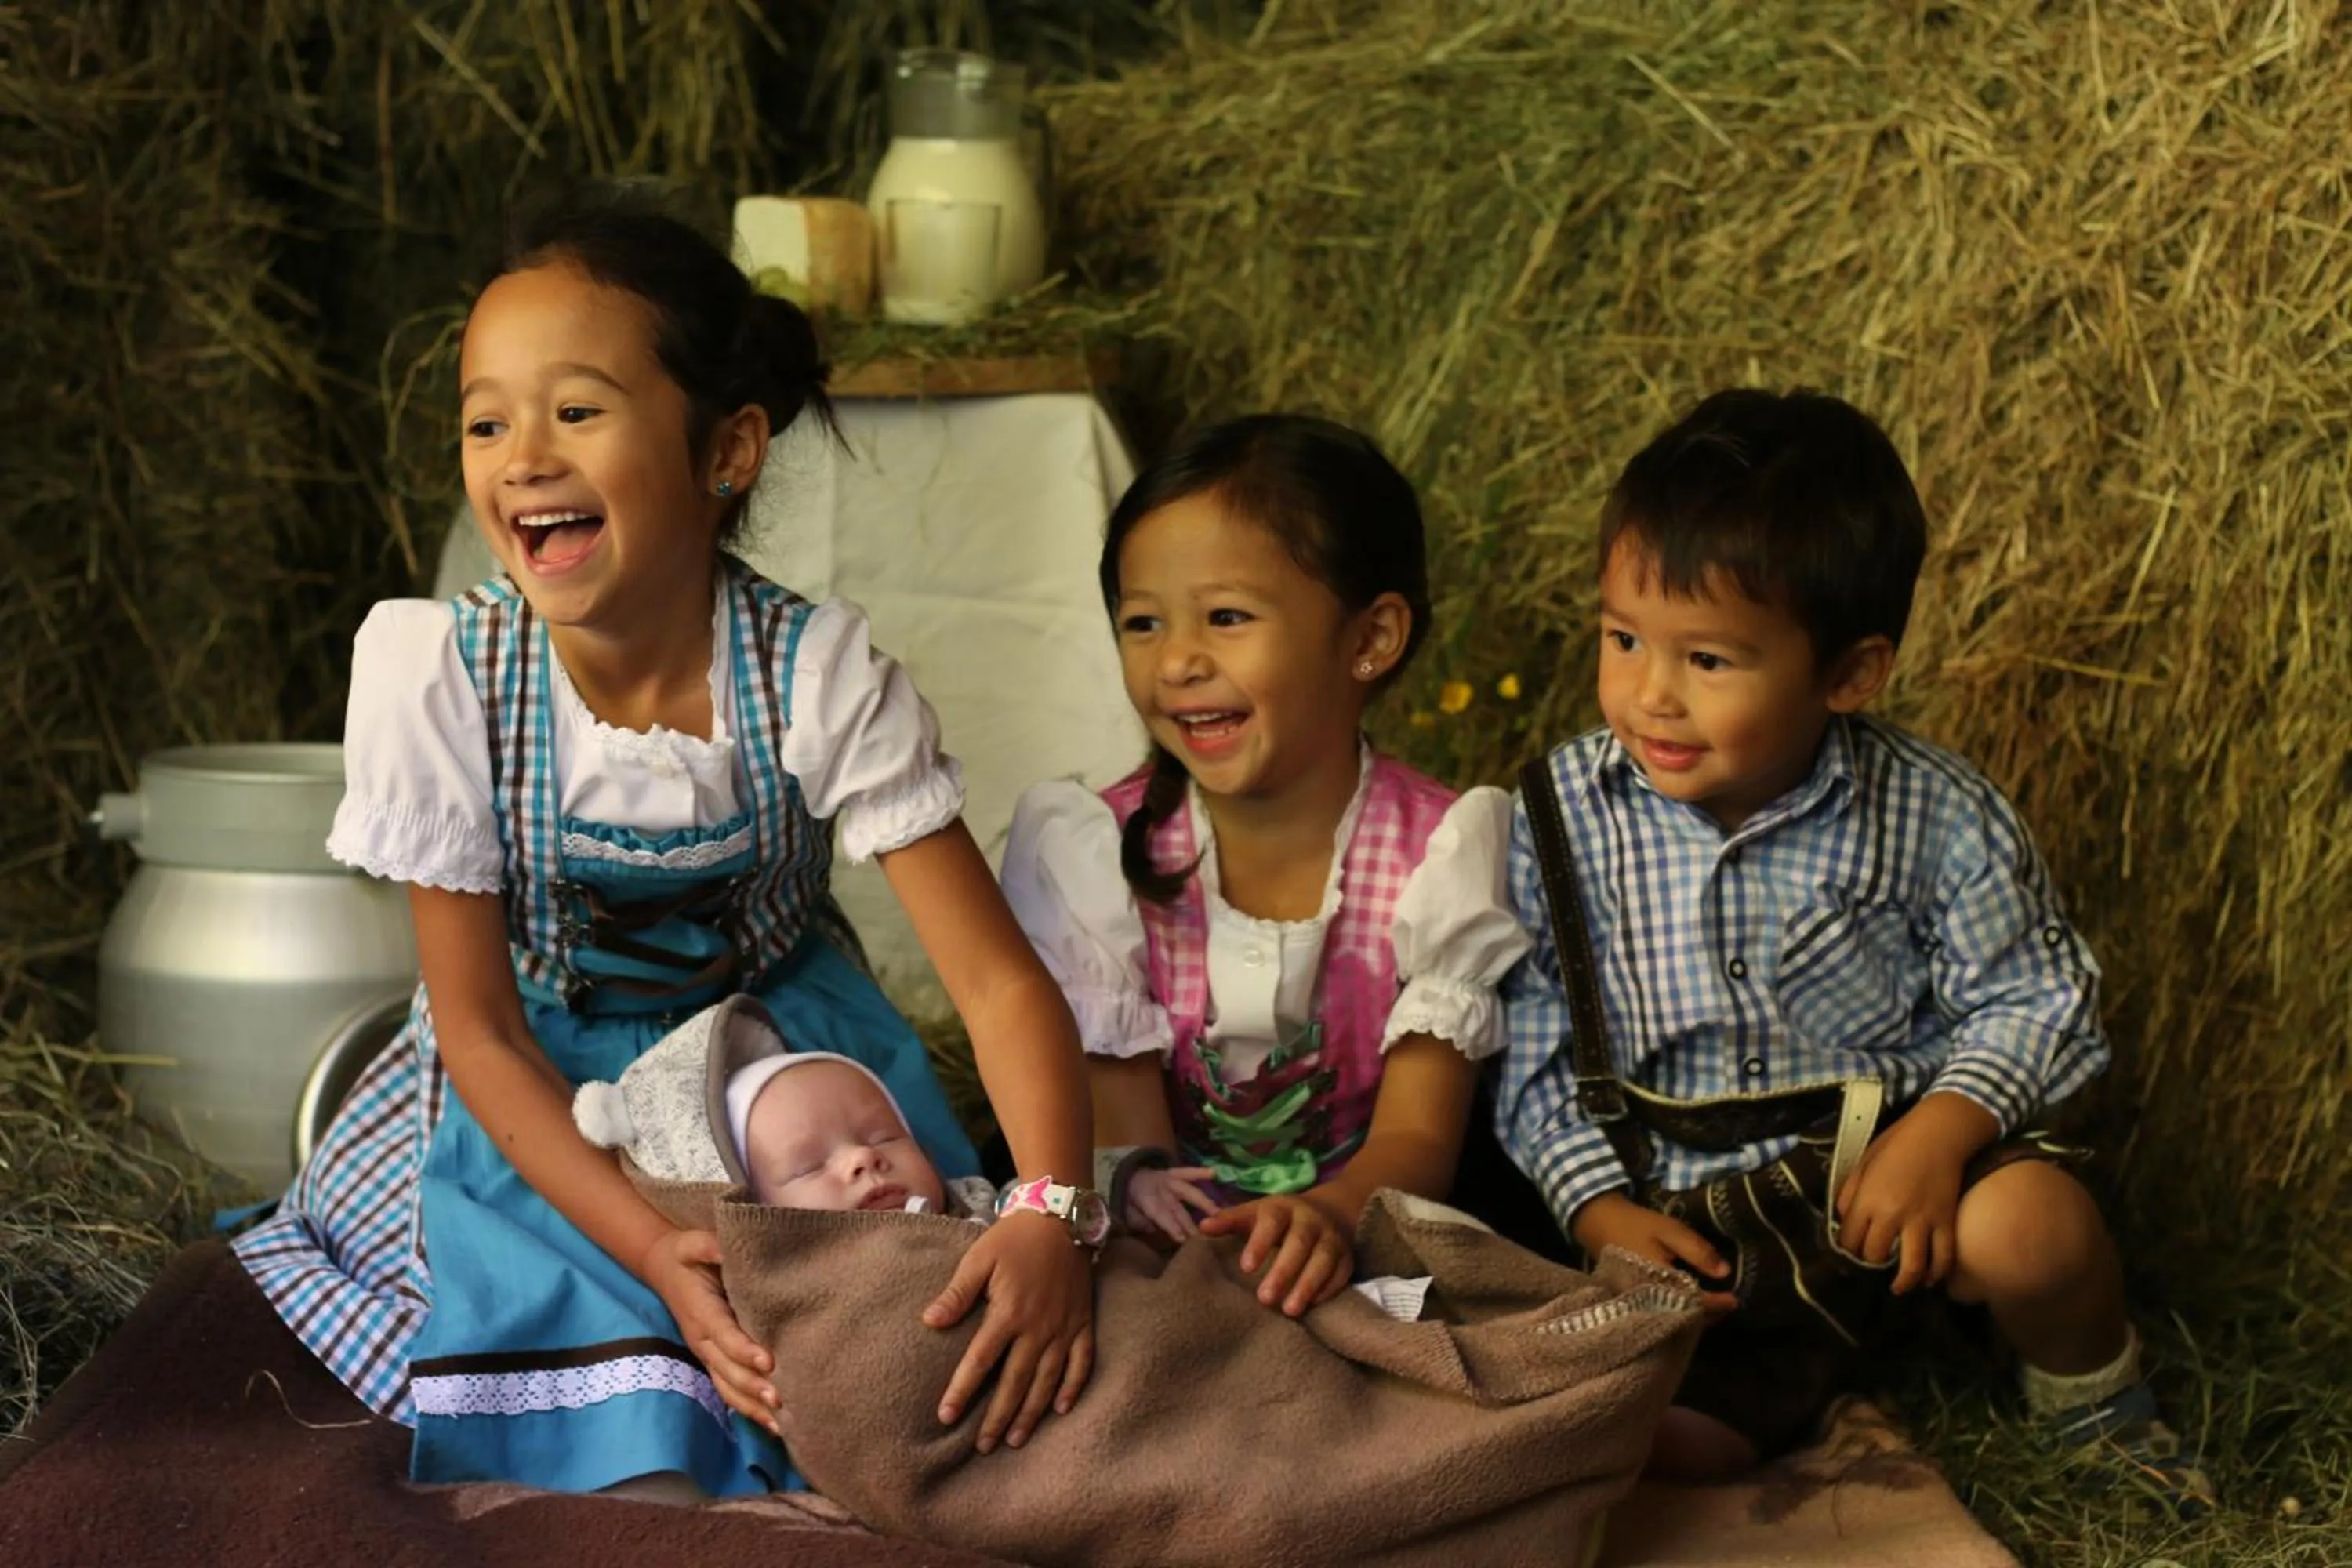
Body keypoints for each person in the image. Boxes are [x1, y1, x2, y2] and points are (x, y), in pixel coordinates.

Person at [233, 183, 1100, 1499]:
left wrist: (1051, 1211)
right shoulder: (442, 674)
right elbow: (475, 1031)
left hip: (781, 1071)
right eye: (486, 419)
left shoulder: (814, 673)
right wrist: (647, 1244)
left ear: (727, 450)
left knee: (899, 1357)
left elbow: (990, 981)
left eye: (577, 409)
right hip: (542, 1086)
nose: (523, 452)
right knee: (599, 1380)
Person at [1497, 387, 2213, 1510]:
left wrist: (1946, 1128)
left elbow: (2043, 997)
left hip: (1906, 1186)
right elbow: (1533, 1044)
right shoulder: (1560, 821)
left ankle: (2099, 1413)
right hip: (1707, 1236)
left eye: (1711, 661)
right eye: (1624, 637)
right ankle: (1758, 1414)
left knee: (2035, 1229)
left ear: (1848, 674)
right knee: (1643, 1430)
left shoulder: (1931, 814)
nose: (1651, 692)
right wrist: (1596, 1209)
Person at [1001, 413, 1530, 1319]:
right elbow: (1131, 1144)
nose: (1177, 661)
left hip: (1366, 1224)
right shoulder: (1095, 854)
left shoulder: (1441, 852)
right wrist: (1156, 1213)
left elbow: (1418, 1135)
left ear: (1371, 638)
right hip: (1166, 1243)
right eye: (1142, 622)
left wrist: (1325, 1214)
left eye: (1227, 617)